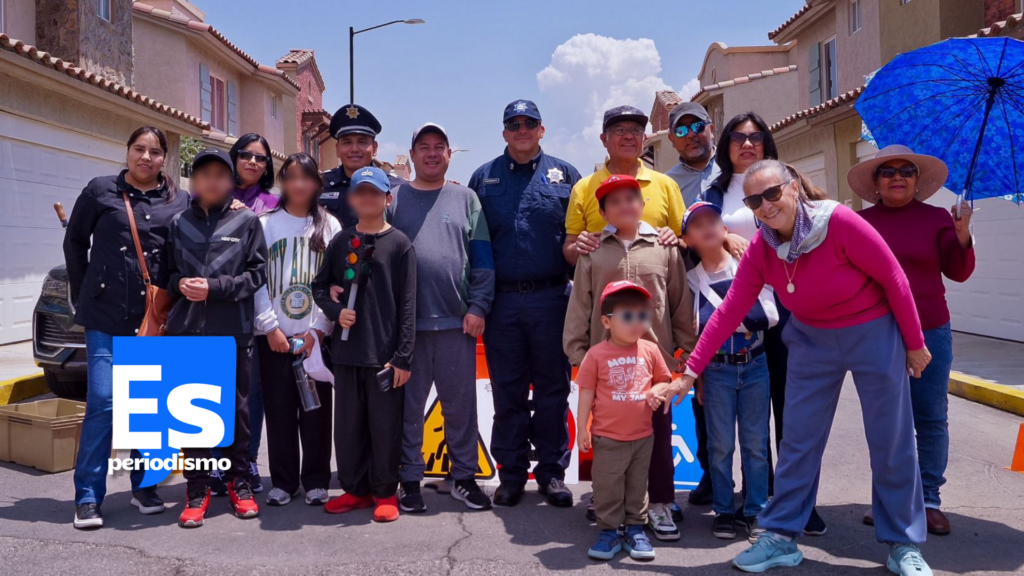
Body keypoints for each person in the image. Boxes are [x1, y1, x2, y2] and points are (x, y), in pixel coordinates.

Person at [673, 159, 933, 576]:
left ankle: (903, 542)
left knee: (891, 440)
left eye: (772, 193)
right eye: (755, 199)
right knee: (797, 441)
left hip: (871, 331)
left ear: (793, 187)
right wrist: (689, 373)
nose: (765, 205)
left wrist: (915, 343)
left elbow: (894, 277)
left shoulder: (839, 221)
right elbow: (727, 313)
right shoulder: (761, 247)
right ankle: (780, 536)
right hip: (812, 340)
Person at [697, 112, 827, 535]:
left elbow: (813, 230)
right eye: (738, 136)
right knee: (740, 418)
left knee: (792, 409)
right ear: (726, 144)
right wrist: (724, 237)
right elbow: (697, 236)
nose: (747, 143)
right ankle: (748, 494)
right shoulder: (712, 190)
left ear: (768, 142)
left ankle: (799, 500)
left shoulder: (789, 179)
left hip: (790, 306)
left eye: (756, 136)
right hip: (737, 313)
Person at [564, 104, 687, 526]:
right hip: (606, 358)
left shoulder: (665, 247)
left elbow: (679, 301)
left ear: (643, 201)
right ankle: (608, 501)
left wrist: (684, 355)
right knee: (609, 435)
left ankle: (661, 504)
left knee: (655, 434)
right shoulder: (594, 252)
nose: (624, 205)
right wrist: (578, 353)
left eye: (631, 198)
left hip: (657, 358)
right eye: (619, 130)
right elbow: (580, 302)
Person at [64, 126, 189, 529]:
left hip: (152, 318)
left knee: (148, 408)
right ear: (128, 152)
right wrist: (86, 292)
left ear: (164, 158)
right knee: (103, 402)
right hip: (105, 316)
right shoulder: (100, 190)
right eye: (139, 149)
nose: (146, 158)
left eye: (155, 152)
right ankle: (87, 496)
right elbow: (74, 242)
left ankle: (144, 487)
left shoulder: (179, 200)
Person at [852, 144, 976, 536]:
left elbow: (958, 272)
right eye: (887, 172)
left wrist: (962, 234)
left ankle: (929, 500)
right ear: (875, 182)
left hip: (931, 329)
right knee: (886, 419)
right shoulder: (860, 222)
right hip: (878, 332)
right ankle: (888, 498)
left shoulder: (939, 218)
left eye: (906, 171)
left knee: (930, 417)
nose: (897, 177)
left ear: (917, 180)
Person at [467, 99, 581, 508]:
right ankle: (511, 475)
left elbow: (579, 237)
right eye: (513, 123)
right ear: (503, 132)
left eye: (529, 122)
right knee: (508, 393)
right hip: (503, 304)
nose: (522, 129)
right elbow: (473, 247)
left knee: (553, 389)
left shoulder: (566, 174)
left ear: (541, 129)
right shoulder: (483, 177)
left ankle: (551, 474)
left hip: (553, 298)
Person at [390, 123, 496, 512]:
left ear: (450, 155)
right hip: (407, 329)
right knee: (409, 409)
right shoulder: (394, 200)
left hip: (457, 324)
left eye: (439, 147)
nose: (432, 153)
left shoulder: (466, 198)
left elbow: (483, 259)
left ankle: (464, 477)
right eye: (424, 147)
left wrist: (478, 306)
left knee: (460, 408)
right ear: (413, 155)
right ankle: (410, 478)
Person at [165, 148, 268, 528]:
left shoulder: (247, 222)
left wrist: (214, 288)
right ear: (194, 180)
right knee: (193, 415)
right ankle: (197, 488)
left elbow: (257, 275)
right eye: (203, 173)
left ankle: (239, 482)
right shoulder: (178, 223)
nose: (212, 181)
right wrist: (181, 283)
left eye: (220, 175)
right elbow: (167, 275)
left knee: (236, 413)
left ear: (230, 182)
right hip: (188, 332)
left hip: (233, 332)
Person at [313, 166, 417, 523]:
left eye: (376, 192)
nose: (368, 198)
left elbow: (408, 305)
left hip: (385, 356)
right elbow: (320, 286)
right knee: (348, 428)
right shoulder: (342, 241)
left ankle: (385, 491)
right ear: (351, 199)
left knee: (385, 427)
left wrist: (403, 357)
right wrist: (335, 309)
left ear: (387, 198)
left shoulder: (400, 244)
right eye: (361, 192)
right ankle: (356, 490)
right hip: (346, 353)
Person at [681, 201, 777, 543]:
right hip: (717, 370)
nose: (707, 226)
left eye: (713, 220)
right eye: (697, 224)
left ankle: (755, 511)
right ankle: (723, 509)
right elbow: (693, 337)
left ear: (726, 229)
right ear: (687, 239)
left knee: (755, 445)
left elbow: (769, 315)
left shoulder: (750, 265)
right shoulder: (690, 282)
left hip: (756, 364)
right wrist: (700, 378)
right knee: (719, 445)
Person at [253, 153, 340, 507]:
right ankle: (284, 481)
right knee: (279, 411)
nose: (298, 185)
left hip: (314, 339)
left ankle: (317, 478)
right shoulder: (263, 224)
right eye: (290, 177)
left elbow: (336, 284)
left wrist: (318, 330)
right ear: (281, 182)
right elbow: (256, 281)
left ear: (317, 184)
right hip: (273, 337)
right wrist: (270, 327)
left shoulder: (329, 226)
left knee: (316, 412)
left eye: (306, 177)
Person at [576, 281, 674, 562]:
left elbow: (665, 380)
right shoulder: (596, 354)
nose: (637, 323)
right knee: (607, 486)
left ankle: (635, 529)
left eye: (643, 316)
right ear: (607, 322)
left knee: (636, 486)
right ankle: (608, 531)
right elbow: (586, 392)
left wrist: (657, 390)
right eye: (628, 316)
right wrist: (583, 427)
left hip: (643, 436)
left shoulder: (650, 349)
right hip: (607, 437)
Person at [564, 105, 684, 266]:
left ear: (644, 138)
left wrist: (674, 241)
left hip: (655, 287)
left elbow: (688, 244)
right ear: (604, 139)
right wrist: (578, 247)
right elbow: (569, 251)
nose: (628, 136)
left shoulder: (667, 185)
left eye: (636, 130)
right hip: (603, 288)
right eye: (619, 130)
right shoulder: (583, 188)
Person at [226, 133, 278, 495]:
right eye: (245, 155)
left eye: (260, 159)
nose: (253, 163)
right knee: (215, 390)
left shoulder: (274, 204)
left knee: (251, 394)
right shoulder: (208, 196)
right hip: (213, 308)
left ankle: (248, 464)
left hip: (256, 312)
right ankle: (213, 467)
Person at [319, 104, 404, 229]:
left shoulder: (397, 187)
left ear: (374, 148)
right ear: (337, 149)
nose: (354, 149)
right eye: (347, 142)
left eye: (362, 142)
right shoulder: (319, 184)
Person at [664, 103, 720, 207]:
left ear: (711, 130)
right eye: (681, 131)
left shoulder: (734, 167)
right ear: (672, 140)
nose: (690, 135)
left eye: (697, 126)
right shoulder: (667, 184)